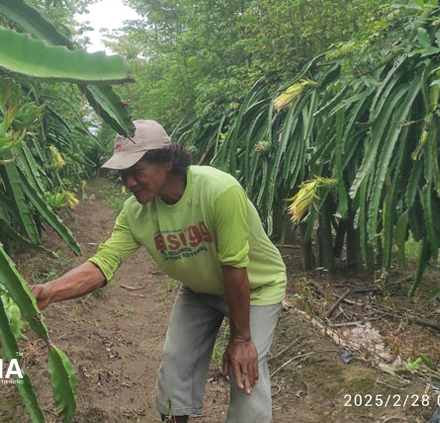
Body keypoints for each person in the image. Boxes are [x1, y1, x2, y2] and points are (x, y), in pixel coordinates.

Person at [29, 119, 287, 423]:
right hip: (200, 291)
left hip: (254, 288)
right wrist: (48, 291)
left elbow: (233, 266)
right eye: (123, 174)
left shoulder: (219, 191)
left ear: (168, 159)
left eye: (137, 171)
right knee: (175, 364)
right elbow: (102, 265)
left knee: (245, 376)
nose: (129, 183)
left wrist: (241, 339)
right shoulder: (135, 212)